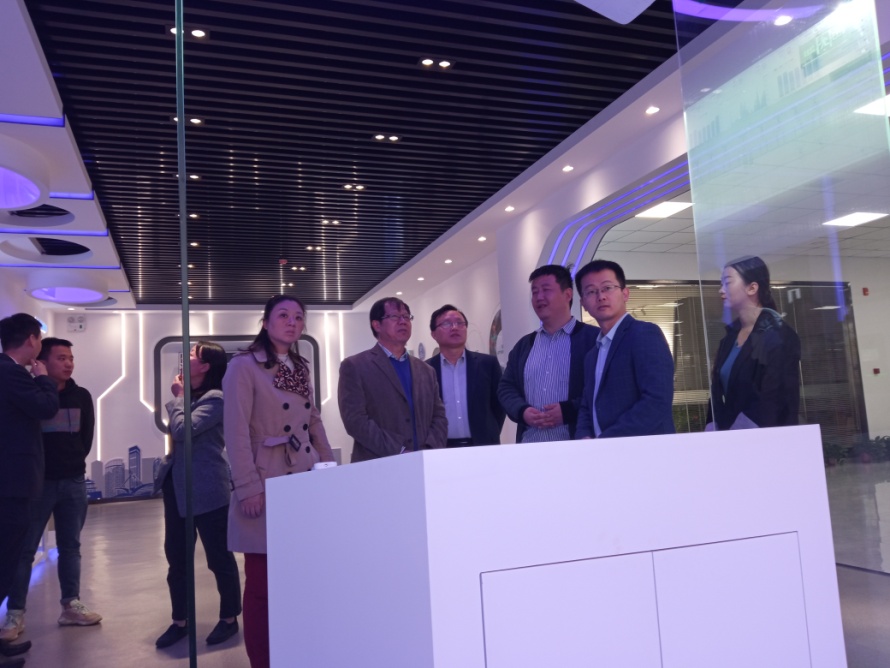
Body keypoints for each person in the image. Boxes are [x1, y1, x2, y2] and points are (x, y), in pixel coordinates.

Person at [223, 295, 335, 668]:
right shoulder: (243, 366)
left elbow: (312, 419)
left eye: (298, 317)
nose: (291, 322)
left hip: (303, 478)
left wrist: (328, 464)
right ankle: (263, 660)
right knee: (261, 585)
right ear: (266, 322)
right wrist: (247, 487)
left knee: (301, 576)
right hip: (266, 478)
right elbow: (236, 430)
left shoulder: (299, 366)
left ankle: (297, 651)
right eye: (283, 315)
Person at [3, 338, 101, 648]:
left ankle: (70, 605)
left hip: (73, 481)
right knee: (24, 550)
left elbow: (86, 437)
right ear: (42, 362)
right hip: (37, 484)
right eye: (61, 358)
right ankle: (15, 613)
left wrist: (74, 462)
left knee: (71, 546)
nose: (69, 363)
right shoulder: (31, 394)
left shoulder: (81, 396)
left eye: (70, 357)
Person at [154, 341, 242, 649]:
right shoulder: (191, 398)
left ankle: (229, 617)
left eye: (193, 354)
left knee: (219, 558)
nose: (187, 356)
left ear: (205, 366)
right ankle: (180, 620)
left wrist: (179, 398)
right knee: (177, 559)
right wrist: (182, 399)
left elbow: (182, 430)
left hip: (207, 489)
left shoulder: (216, 398)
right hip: (177, 488)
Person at [0, 314, 59, 667]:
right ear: (32, 340)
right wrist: (44, 379)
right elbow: (46, 407)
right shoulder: (10, 373)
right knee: (6, 560)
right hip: (12, 484)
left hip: (11, 483)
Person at [574, 260, 675, 438]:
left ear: (625, 293)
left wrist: (606, 440)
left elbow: (657, 400)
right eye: (591, 291)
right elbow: (587, 406)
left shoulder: (644, 334)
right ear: (583, 303)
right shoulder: (592, 355)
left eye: (607, 288)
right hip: (601, 451)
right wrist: (585, 438)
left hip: (645, 449)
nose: (601, 296)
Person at [339, 297, 447, 462]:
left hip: (424, 463)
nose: (403, 322)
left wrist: (430, 449)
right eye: (395, 317)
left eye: (406, 317)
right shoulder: (355, 366)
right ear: (377, 325)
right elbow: (355, 421)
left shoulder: (426, 370)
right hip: (378, 464)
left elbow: (438, 416)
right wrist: (399, 451)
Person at [498, 265, 597, 443]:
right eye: (535, 292)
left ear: (568, 295)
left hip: (577, 445)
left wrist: (568, 410)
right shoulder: (524, 346)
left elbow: (602, 391)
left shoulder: (592, 340)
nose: (539, 297)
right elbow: (506, 388)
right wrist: (522, 411)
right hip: (530, 445)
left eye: (546, 290)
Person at [707, 255, 801, 430]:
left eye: (727, 283)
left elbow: (772, 398)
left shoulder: (779, 335)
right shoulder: (729, 338)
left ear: (752, 288)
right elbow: (717, 393)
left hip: (765, 437)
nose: (721, 290)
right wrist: (712, 428)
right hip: (730, 438)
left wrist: (737, 435)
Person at [427, 304, 505, 446]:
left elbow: (499, 406)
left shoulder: (487, 364)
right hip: (441, 448)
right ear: (434, 334)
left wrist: (490, 433)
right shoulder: (425, 370)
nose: (454, 328)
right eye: (446, 324)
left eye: (460, 323)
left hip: (482, 446)